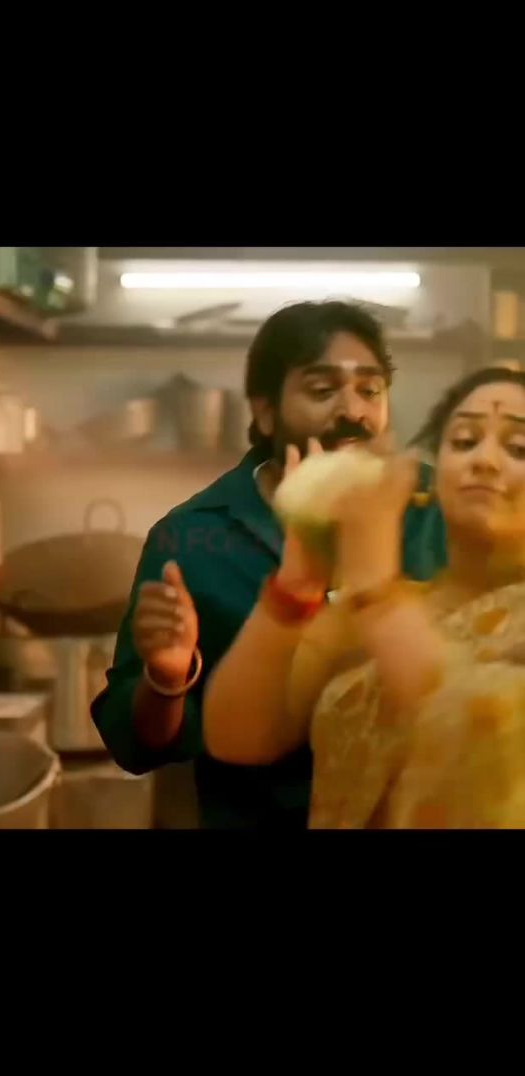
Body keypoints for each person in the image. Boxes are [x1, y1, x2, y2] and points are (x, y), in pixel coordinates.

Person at [91, 300, 446, 830]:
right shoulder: (191, 540)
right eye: (322, 390)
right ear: (265, 412)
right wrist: (166, 680)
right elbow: (134, 747)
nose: (353, 412)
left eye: (370, 390)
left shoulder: (437, 511)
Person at [203, 366, 525, 829]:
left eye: (518, 448)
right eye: (464, 441)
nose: (485, 460)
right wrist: (296, 587)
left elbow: (489, 740)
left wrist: (375, 592)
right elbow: (237, 738)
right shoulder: (368, 616)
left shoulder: (378, 607)